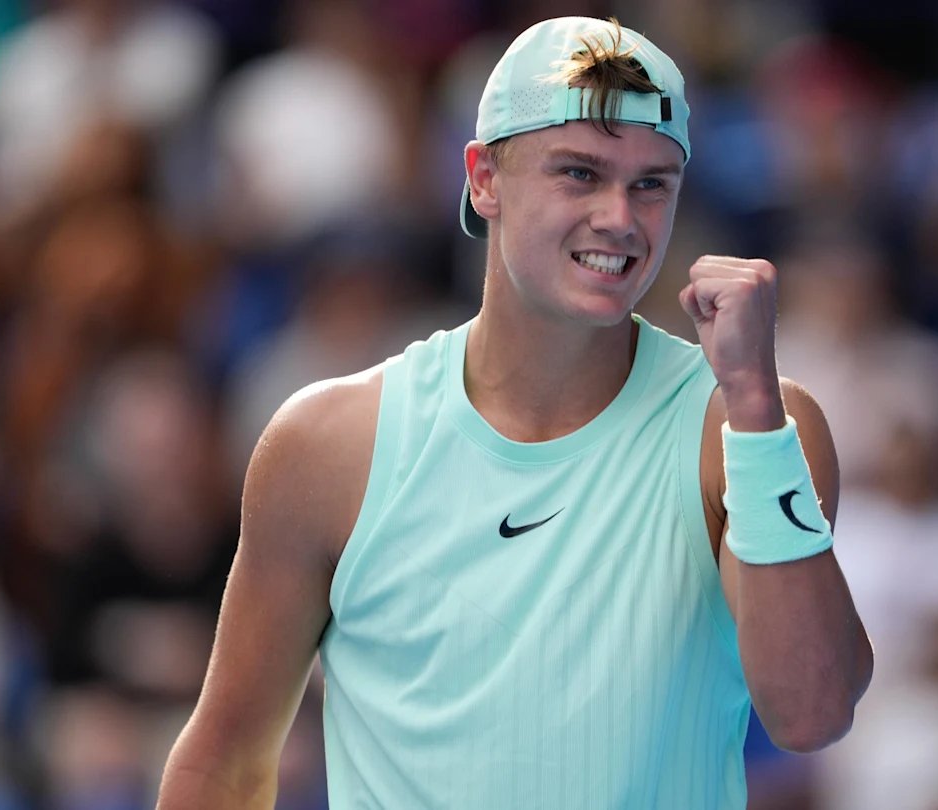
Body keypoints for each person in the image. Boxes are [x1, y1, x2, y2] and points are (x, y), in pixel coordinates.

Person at [158, 16, 872, 808]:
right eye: (580, 173)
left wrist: (755, 406)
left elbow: (811, 713)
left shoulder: (748, 429)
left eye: (652, 184)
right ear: (484, 179)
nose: (620, 217)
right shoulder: (328, 445)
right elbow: (224, 765)